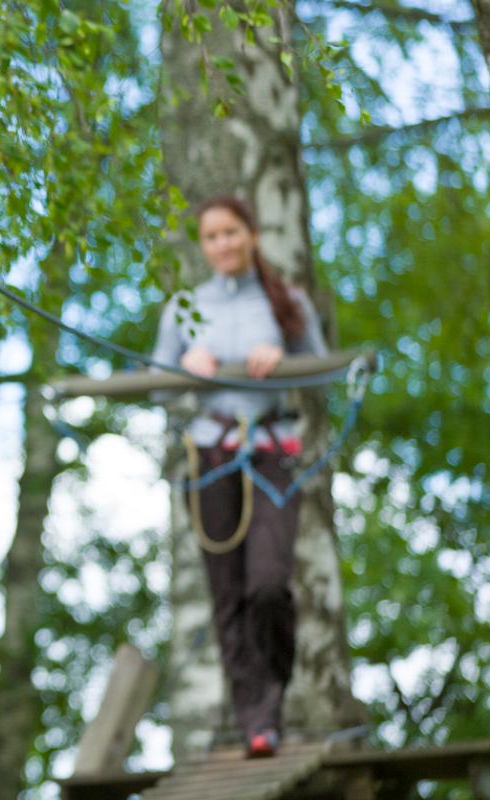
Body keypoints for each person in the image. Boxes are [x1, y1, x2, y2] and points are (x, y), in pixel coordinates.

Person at [152, 195, 329, 758]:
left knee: (269, 584)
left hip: (273, 451)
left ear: (251, 234)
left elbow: (321, 375)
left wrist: (280, 357)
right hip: (210, 456)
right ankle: (256, 719)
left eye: (232, 232)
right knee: (227, 594)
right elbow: (158, 387)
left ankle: (269, 695)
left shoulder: (287, 302)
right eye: (212, 237)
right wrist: (186, 371)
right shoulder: (185, 307)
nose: (223, 244)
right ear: (202, 246)